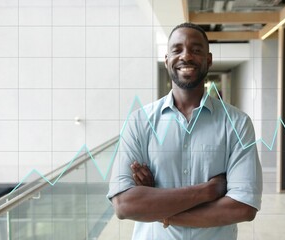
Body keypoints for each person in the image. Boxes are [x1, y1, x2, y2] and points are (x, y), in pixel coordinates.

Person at [107, 22, 262, 240]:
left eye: (196, 50)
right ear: (167, 60)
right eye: (177, 49)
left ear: (208, 60)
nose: (186, 56)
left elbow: (243, 208)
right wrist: (208, 192)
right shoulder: (139, 121)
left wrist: (159, 210)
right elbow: (124, 205)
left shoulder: (237, 123)